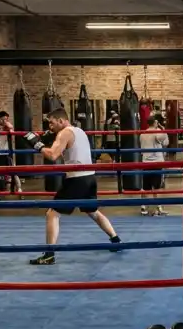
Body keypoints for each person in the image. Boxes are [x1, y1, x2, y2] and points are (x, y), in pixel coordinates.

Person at [25, 108, 121, 265]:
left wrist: (37, 145)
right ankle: (116, 239)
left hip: (77, 179)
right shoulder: (79, 130)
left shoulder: (64, 133)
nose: (50, 126)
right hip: (90, 177)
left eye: (52, 122)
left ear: (61, 121)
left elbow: (52, 155)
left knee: (52, 213)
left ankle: (49, 255)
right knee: (92, 211)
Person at [139, 114, 169, 216]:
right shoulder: (158, 132)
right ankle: (159, 207)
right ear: (156, 123)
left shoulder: (142, 134)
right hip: (156, 162)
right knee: (157, 187)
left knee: (146, 186)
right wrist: (163, 129)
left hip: (146, 162)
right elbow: (165, 143)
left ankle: (143, 207)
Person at [0, 110, 23, 198]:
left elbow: (11, 130)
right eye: (3, 119)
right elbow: (1, 129)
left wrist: (7, 125)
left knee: (13, 170)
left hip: (6, 153)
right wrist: (7, 125)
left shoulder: (6, 126)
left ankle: (19, 189)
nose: (4, 121)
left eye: (6, 119)